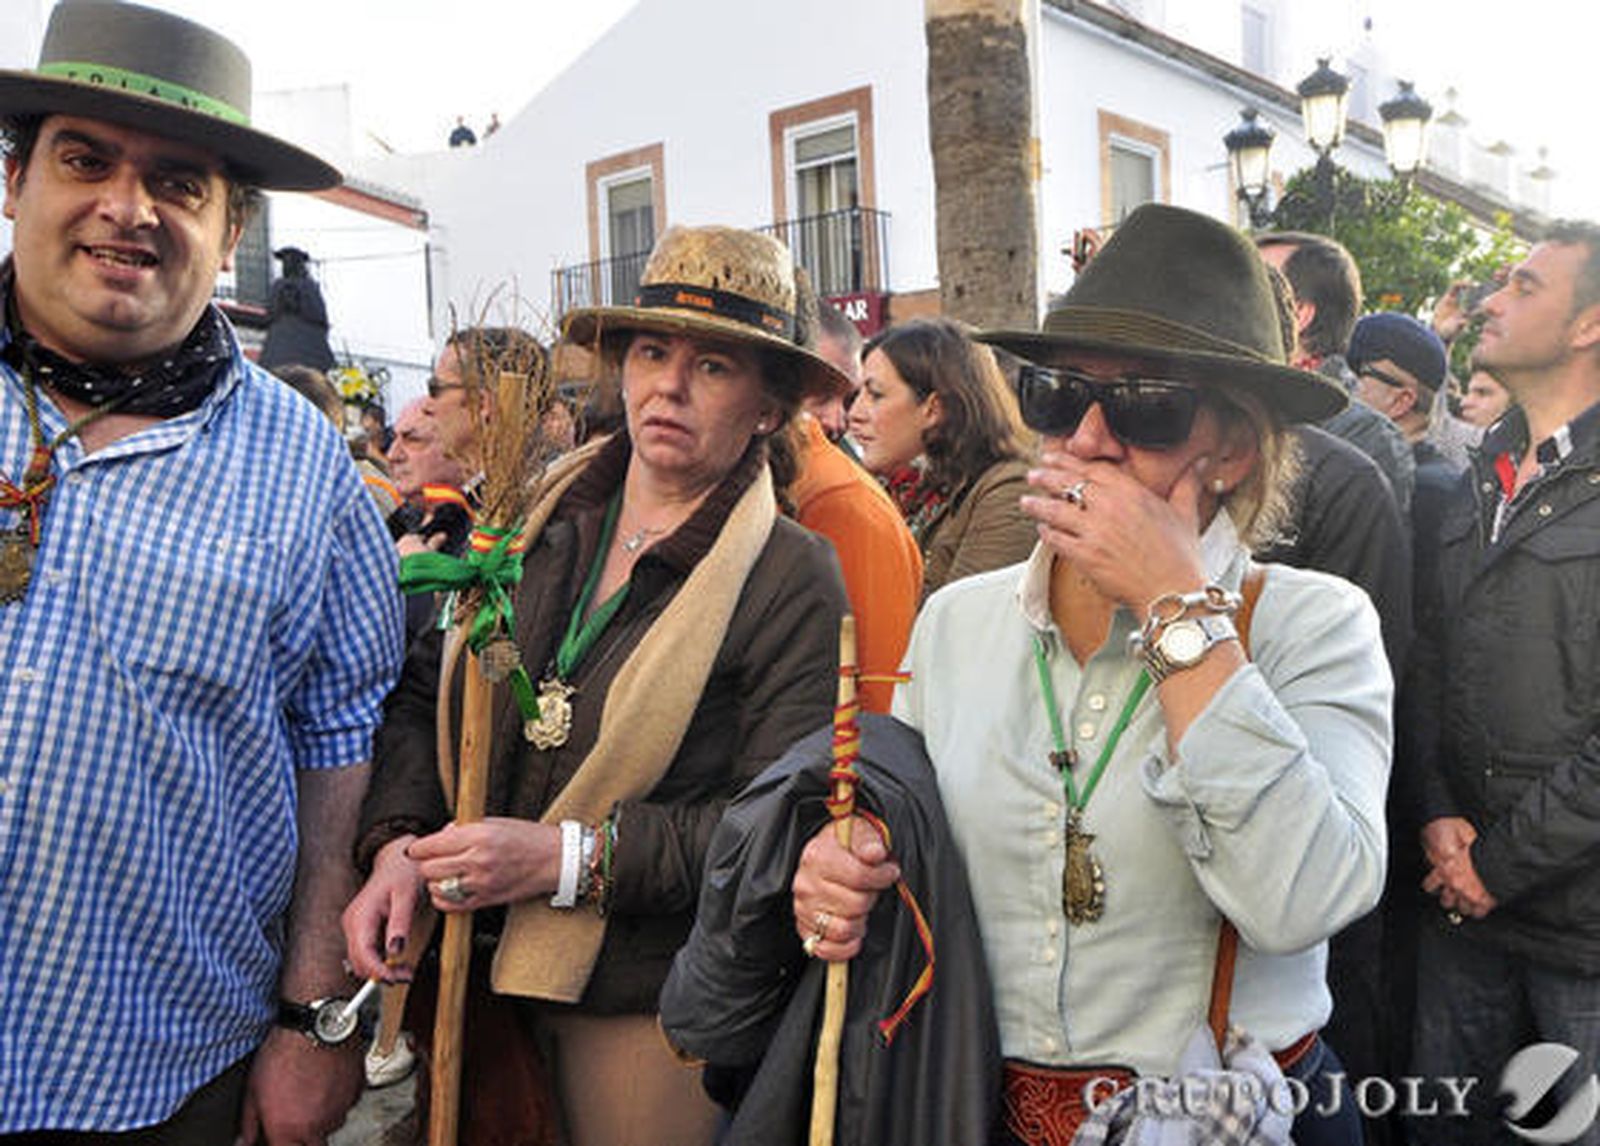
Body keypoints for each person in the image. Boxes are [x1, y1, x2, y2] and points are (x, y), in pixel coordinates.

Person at [795, 205, 1391, 1145]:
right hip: (973, 1108)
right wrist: (844, 868)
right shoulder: (958, 621)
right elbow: (904, 848)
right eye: (1057, 394)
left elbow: (1303, 901)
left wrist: (1174, 606)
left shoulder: (1314, 623)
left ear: (1233, 449)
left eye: (1148, 402)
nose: (1090, 436)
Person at [343, 224, 851, 1146]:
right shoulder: (528, 514)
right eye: (653, 351)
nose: (669, 385)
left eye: (715, 367)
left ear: (770, 407)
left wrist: (564, 859)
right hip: (468, 962)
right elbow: (427, 693)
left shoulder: (790, 575)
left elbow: (775, 822)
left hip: (637, 995)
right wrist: (398, 844)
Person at [0, 3, 403, 1141]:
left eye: (179, 183)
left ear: (230, 233)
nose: (128, 208)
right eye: (85, 159)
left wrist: (312, 1017)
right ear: (16, 177)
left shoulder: (303, 465)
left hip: (160, 1074)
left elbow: (339, 739)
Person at [1407, 221, 1600, 1145]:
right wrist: (1440, 811)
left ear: (1588, 324)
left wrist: (1496, 863)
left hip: (1581, 937)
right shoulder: (1477, 475)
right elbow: (1437, 660)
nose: (1490, 300)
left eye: (1523, 286)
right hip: (1464, 910)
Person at [790, 292, 921, 711]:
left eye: (850, 398)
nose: (839, 420)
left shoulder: (842, 500)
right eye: (816, 396)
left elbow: (879, 700)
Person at [851, 316, 1036, 598]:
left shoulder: (1010, 489)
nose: (854, 414)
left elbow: (961, 623)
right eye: (857, 394)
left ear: (934, 409)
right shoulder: (895, 489)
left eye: (875, 395)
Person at [1257, 230, 1416, 515]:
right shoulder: (1227, 402)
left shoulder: (1367, 439)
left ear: (1297, 313)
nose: (1226, 299)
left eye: (1250, 285)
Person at [259, 245, 335, 372]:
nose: (287, 265)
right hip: (279, 345)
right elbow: (270, 315)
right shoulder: (279, 286)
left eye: (290, 261)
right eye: (286, 261)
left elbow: (319, 317)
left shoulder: (309, 286)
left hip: (307, 345)